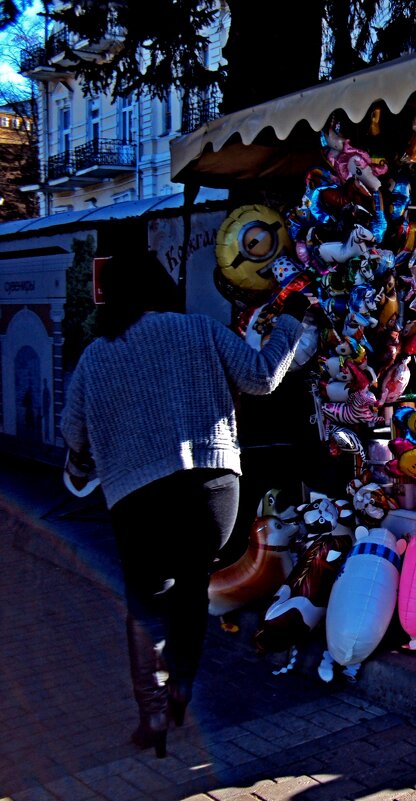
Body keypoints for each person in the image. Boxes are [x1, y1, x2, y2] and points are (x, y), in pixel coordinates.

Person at [60, 249, 309, 758]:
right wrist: (290, 321)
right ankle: (182, 684)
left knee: (145, 600)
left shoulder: (96, 354)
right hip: (214, 490)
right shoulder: (198, 329)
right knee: (193, 580)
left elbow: (74, 434)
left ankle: (152, 710)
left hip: (138, 496)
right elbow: (261, 376)